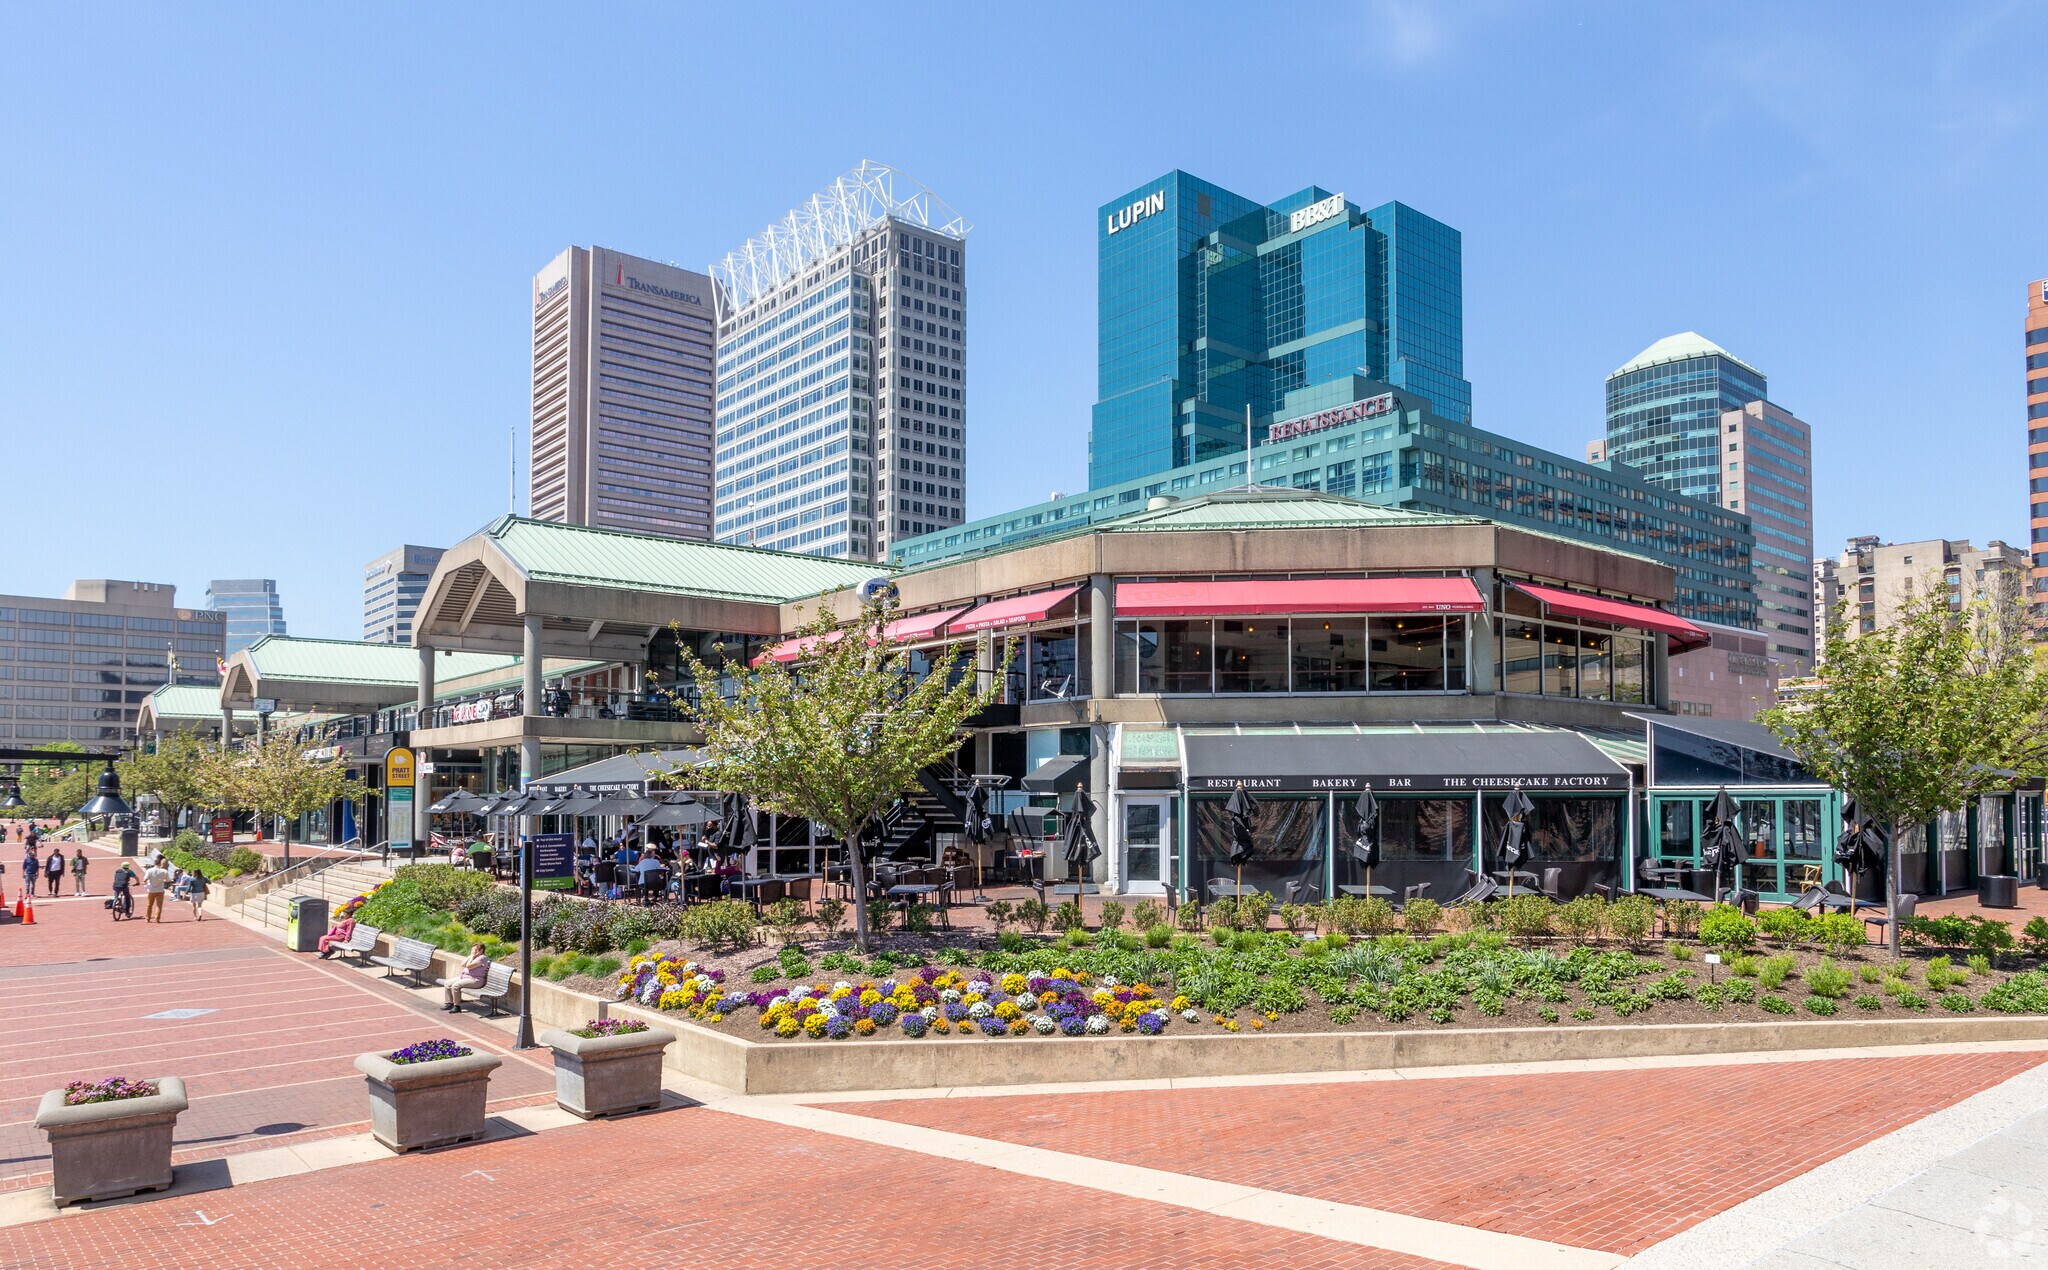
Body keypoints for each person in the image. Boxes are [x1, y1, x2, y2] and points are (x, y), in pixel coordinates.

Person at [439, 942, 490, 1012]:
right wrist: (471, 956)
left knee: (455, 986)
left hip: (475, 980)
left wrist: (472, 956)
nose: (473, 952)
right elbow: (463, 964)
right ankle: (449, 1003)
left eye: (476, 950)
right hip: (465, 977)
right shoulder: (473, 956)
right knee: (447, 983)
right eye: (472, 950)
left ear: (481, 951)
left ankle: (456, 1006)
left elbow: (469, 966)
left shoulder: (482, 958)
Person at [141, 857, 171, 923]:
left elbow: (145, 879)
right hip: (160, 890)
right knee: (159, 905)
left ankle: (147, 918)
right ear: (160, 863)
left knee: (149, 905)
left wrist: (145, 882)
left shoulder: (149, 870)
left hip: (151, 890)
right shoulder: (164, 871)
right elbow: (168, 880)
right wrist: (163, 880)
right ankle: (157, 919)